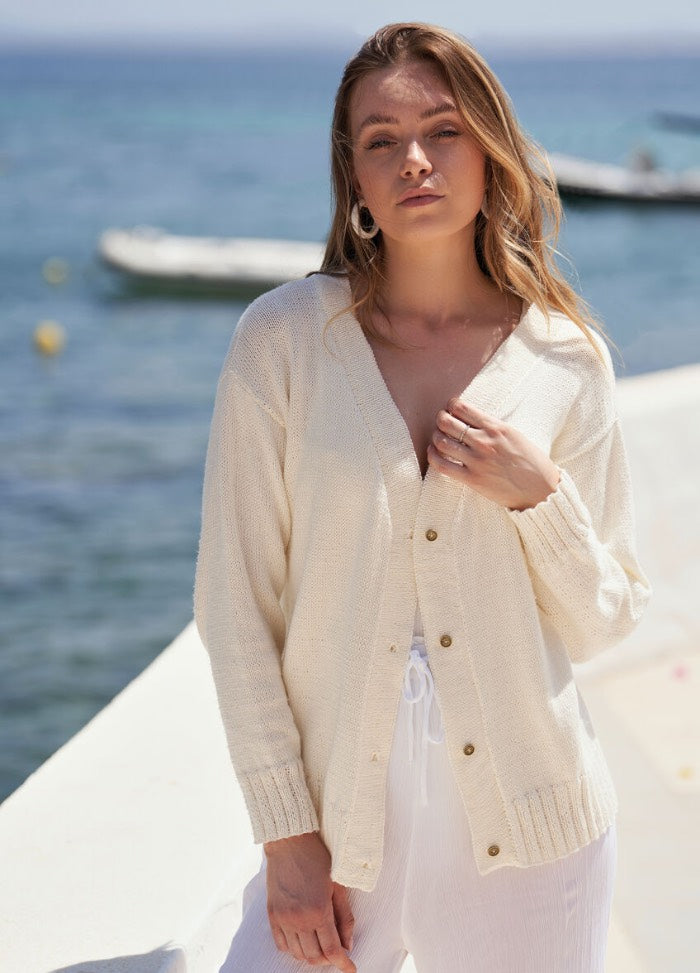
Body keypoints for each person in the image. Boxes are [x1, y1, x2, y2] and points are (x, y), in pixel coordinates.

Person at [193, 22, 651, 973]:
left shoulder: (568, 361)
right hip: (339, 825)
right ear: (353, 176)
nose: (414, 159)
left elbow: (607, 616)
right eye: (379, 139)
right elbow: (235, 606)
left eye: (443, 130)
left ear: (491, 151)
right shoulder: (282, 344)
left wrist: (540, 499)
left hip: (536, 833)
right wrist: (287, 840)